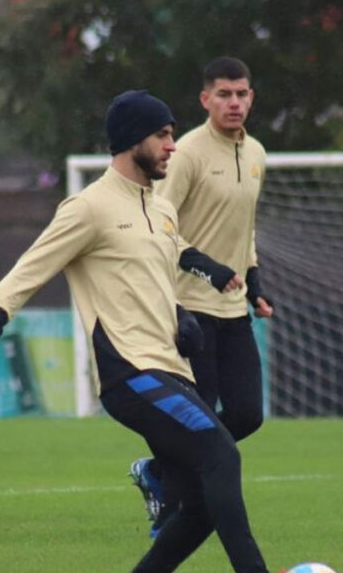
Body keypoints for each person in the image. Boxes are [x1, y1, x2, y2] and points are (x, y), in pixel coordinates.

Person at [0, 89, 270, 573]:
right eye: (163, 135)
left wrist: (182, 320)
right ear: (131, 141)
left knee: (203, 507)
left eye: (172, 135)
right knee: (221, 454)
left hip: (171, 371)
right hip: (131, 374)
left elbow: (155, 283)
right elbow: (28, 270)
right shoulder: (88, 207)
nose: (172, 145)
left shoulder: (163, 212)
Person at [129, 56, 274, 539]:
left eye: (242, 94)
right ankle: (172, 510)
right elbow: (158, 223)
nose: (235, 103)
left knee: (248, 414)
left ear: (252, 97)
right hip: (189, 307)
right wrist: (204, 265)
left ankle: (158, 471)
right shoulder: (186, 152)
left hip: (232, 310)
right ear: (205, 99)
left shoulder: (256, 153)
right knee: (201, 417)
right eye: (225, 94)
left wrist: (253, 283)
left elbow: (243, 230)